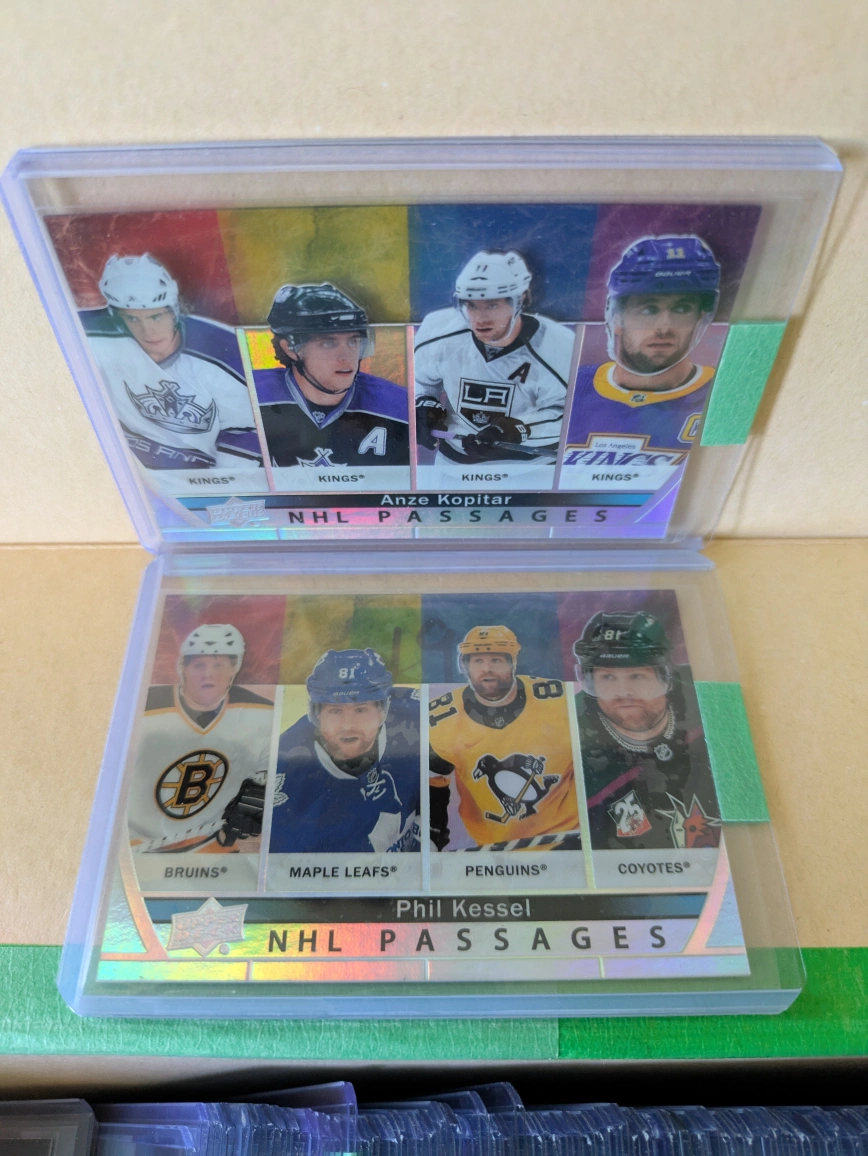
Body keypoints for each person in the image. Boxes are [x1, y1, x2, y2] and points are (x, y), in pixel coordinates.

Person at [85, 254, 262, 471]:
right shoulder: (88, 337)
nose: (148, 331)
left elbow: (247, 429)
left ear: (175, 311)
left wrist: (221, 479)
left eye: (156, 317)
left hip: (205, 474)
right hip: (130, 472)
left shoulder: (225, 353)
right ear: (116, 317)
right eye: (133, 319)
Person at [414, 250, 575, 486]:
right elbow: (420, 381)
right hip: (454, 465)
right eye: (471, 305)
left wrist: (519, 430)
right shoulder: (438, 331)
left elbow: (569, 414)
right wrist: (423, 404)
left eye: (492, 305)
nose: (480, 318)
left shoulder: (558, 345)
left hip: (529, 469)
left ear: (521, 300)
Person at [563, 235, 721, 466]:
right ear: (617, 317)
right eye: (649, 309)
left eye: (682, 308)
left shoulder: (723, 396)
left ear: (699, 317)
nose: (664, 327)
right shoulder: (570, 388)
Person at [573, 610, 721, 850]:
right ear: (589, 680)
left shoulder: (708, 706)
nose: (623, 692)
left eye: (637, 676)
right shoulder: (570, 731)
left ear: (666, 677)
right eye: (608, 677)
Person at [428, 625, 580, 850]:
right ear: (465, 666)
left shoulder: (559, 701)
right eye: (478, 661)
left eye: (496, 660)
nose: (487, 669)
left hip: (570, 839)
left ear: (513, 663)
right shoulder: (442, 719)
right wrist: (433, 836)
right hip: (497, 849)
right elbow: (434, 783)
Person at [127, 624, 274, 854]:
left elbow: (272, 771)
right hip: (138, 847)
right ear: (183, 667)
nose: (208, 674)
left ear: (234, 668)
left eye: (218, 665)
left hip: (215, 846)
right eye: (199, 665)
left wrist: (259, 792)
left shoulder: (263, 714)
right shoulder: (140, 708)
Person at [268, 649, 421, 854]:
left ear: (383, 710)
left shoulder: (415, 716)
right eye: (335, 710)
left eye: (361, 709)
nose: (348, 725)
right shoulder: (286, 771)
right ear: (316, 714)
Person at [254, 283, 410, 470]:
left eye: (353, 341)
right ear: (290, 348)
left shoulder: (401, 406)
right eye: (328, 343)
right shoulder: (250, 394)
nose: (346, 357)